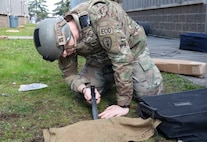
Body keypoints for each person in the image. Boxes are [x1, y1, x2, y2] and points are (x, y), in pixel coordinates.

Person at [33, 0, 163, 119]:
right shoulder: (61, 39)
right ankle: (111, 76)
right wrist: (84, 89)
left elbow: (121, 59)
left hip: (131, 52)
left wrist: (123, 105)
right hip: (100, 60)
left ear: (66, 35)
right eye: (61, 53)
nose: (65, 55)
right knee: (85, 94)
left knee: (149, 95)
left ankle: (134, 72)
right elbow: (69, 74)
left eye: (65, 50)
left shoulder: (101, 18)